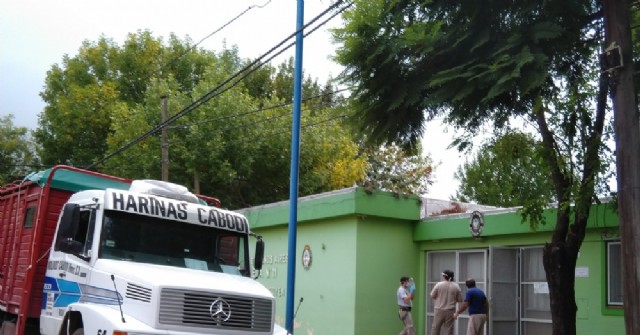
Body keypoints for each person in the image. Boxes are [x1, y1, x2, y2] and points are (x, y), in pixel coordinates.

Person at [430, 270, 462, 335]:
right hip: (450, 310)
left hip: (439, 309)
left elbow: (432, 296)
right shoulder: (456, 286)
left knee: (435, 328)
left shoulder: (439, 284)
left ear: (444, 276)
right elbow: (460, 299)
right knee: (449, 329)